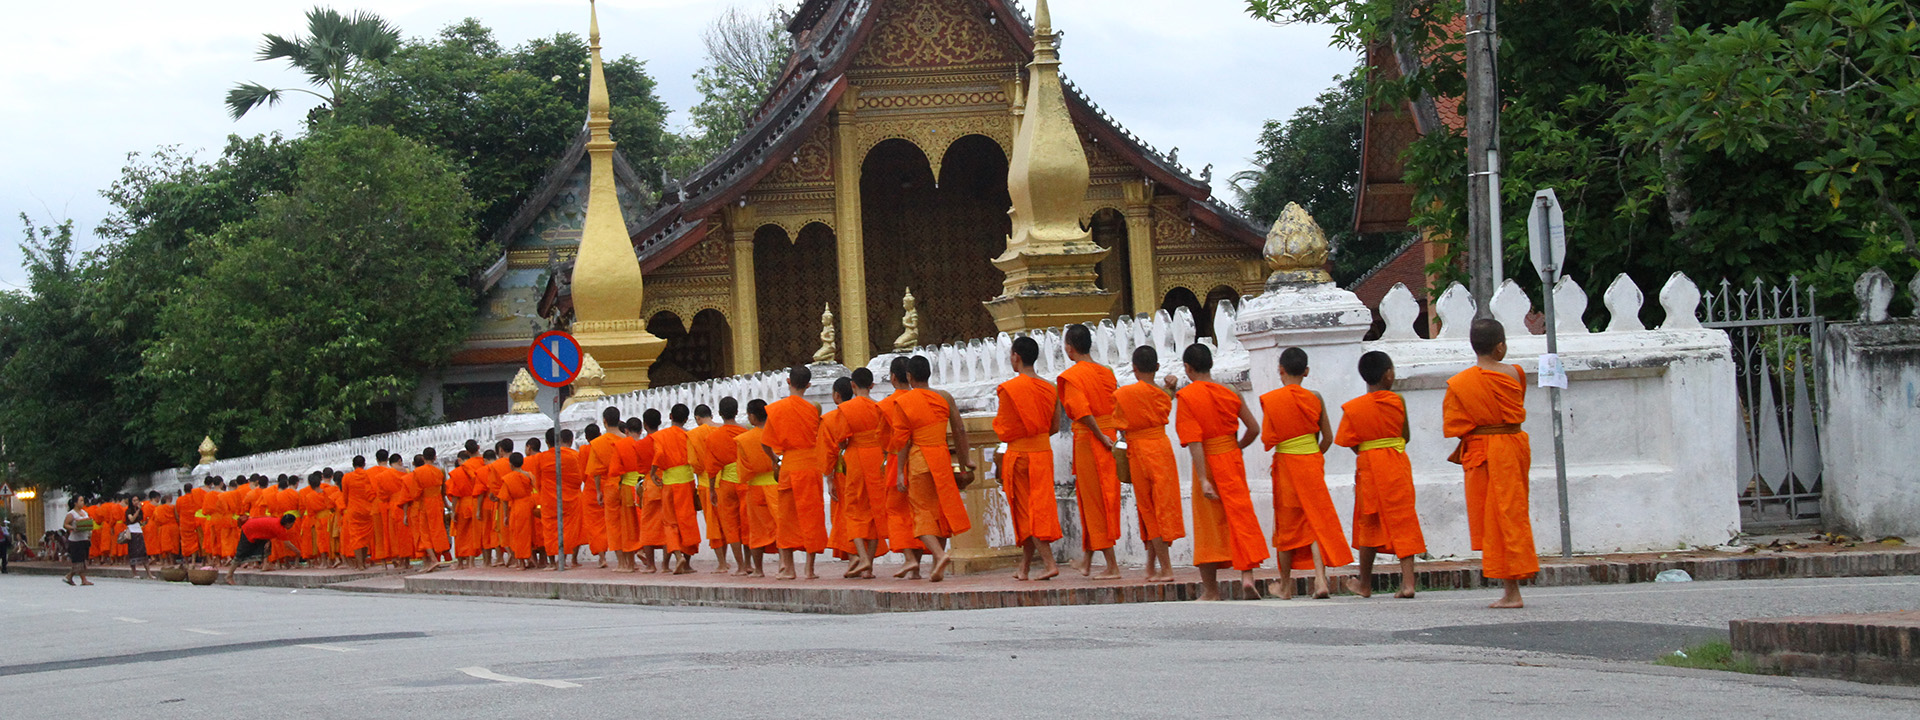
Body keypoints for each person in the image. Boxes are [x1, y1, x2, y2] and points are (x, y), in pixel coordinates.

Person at [1446, 319, 1538, 609]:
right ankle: (1512, 590)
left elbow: (1456, 424)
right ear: (1501, 347)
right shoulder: (1516, 373)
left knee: (1496, 520)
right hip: (1511, 448)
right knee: (1510, 515)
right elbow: (1512, 409)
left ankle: (1512, 593)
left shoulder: (1461, 383)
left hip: (1484, 452)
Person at [1175, 343, 1268, 600]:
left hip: (1206, 460)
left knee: (1208, 523)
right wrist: (1235, 447)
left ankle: (1211, 590)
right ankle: (1247, 577)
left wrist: (1204, 478)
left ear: (1188, 368)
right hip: (1231, 458)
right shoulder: (1229, 391)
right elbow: (1253, 428)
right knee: (1239, 516)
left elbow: (1194, 440)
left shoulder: (1187, 397)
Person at [1261, 347, 1352, 600]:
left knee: (1287, 523)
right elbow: (1328, 438)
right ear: (1307, 371)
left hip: (1288, 463)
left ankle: (1286, 585)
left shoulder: (1272, 399)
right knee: (1314, 520)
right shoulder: (1316, 397)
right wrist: (1312, 456)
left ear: (1281, 371)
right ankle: (1321, 579)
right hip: (1311, 461)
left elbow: (1268, 439)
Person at [1338, 351, 1426, 599]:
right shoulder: (1397, 401)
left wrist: (1371, 449)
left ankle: (1364, 583)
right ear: (1388, 375)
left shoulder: (1354, 408)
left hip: (1368, 467)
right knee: (1403, 519)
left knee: (1369, 522)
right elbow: (1405, 435)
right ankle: (1408, 583)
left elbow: (1351, 442)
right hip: (1395, 464)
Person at [889, 355, 973, 582]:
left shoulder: (905, 402)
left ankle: (939, 555)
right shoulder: (944, 397)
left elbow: (903, 442)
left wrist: (898, 472)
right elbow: (960, 430)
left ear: (909, 376)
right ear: (929, 373)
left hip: (919, 460)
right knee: (940, 511)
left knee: (921, 512)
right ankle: (938, 565)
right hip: (942, 458)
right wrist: (966, 461)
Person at [995, 336, 1064, 581]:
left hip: (1020, 455)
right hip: (1043, 453)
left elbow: (1003, 429)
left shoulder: (1010, 390)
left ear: (1016, 356)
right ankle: (1024, 567)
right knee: (1039, 506)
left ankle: (1049, 563)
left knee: (1027, 511)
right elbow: (1054, 426)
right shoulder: (1050, 388)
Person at [1057, 324, 1123, 579]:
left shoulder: (1072, 377)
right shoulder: (1106, 372)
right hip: (1109, 436)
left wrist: (1100, 437)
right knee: (1094, 498)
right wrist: (1110, 436)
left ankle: (1112, 566)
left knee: (1096, 502)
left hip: (1092, 439)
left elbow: (1083, 412)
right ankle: (1087, 561)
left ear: (1069, 348)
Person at [1115, 346, 1183, 583]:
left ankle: (1166, 570)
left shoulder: (1124, 394)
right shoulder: (1163, 394)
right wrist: (1171, 387)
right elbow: (1165, 397)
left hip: (1139, 451)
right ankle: (1152, 566)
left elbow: (1118, 422)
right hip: (1162, 450)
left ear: (1133, 369)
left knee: (1149, 510)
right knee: (1162, 506)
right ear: (1156, 368)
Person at [764, 366, 828, 580]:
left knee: (786, 518)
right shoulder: (812, 409)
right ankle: (809, 569)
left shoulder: (776, 409)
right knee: (811, 516)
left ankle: (788, 568)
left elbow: (765, 443)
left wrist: (775, 460)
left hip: (789, 466)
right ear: (808, 385)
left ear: (788, 381)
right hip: (810, 466)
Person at [829, 375, 885, 579]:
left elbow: (842, 440)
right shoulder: (880, 406)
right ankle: (868, 564)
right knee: (875, 509)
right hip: (877, 457)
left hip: (855, 459)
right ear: (872, 385)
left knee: (854, 509)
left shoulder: (847, 409)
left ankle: (863, 558)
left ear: (853, 385)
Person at [651, 405, 701, 575]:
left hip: (669, 482)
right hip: (686, 482)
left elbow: (658, 455)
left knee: (670, 522)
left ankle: (678, 555)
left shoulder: (661, 436)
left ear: (670, 416)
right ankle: (686, 563)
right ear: (687, 419)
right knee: (687, 521)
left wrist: (652, 472)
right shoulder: (690, 436)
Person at [704, 399, 750, 575]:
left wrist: (711, 490)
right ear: (737, 411)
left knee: (731, 524)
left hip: (726, 484)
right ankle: (749, 563)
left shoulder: (714, 437)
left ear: (720, 414)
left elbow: (711, 467)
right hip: (745, 481)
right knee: (746, 522)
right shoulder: (745, 432)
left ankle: (740, 566)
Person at [736, 400, 778, 577]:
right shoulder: (777, 435)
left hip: (754, 486)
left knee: (757, 529)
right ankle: (785, 565)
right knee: (780, 526)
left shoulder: (743, 439)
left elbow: (743, 471)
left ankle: (759, 569)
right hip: (776, 484)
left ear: (752, 416)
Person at [687, 405, 729, 573]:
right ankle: (729, 561)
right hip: (727, 479)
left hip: (706, 483)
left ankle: (722, 563)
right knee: (727, 522)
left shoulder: (694, 435)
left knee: (713, 524)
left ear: (697, 418)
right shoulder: (723, 429)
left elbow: (694, 464)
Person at [226, 514, 300, 585]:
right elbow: (287, 544)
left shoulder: (277, 520)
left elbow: (266, 529)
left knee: (267, 545)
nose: (291, 526)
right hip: (249, 529)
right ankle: (229, 576)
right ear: (288, 523)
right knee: (240, 554)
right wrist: (298, 552)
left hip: (256, 530)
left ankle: (265, 565)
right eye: (291, 524)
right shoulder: (279, 528)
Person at [63, 496, 95, 586]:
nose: (82, 502)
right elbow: (65, 525)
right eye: (80, 501)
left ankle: (69, 577)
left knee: (83, 560)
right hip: (75, 540)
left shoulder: (84, 512)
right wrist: (73, 528)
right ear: (75, 503)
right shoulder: (71, 514)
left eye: (83, 500)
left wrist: (90, 531)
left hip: (84, 538)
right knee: (78, 560)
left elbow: (88, 522)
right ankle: (82, 579)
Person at [124, 496, 152, 579]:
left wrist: (145, 523)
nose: (136, 502)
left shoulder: (140, 511)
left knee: (143, 553)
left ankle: (149, 574)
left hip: (139, 532)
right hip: (132, 533)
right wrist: (138, 510)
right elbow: (131, 519)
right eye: (134, 500)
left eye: (137, 500)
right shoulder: (128, 511)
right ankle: (134, 573)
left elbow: (139, 522)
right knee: (133, 553)